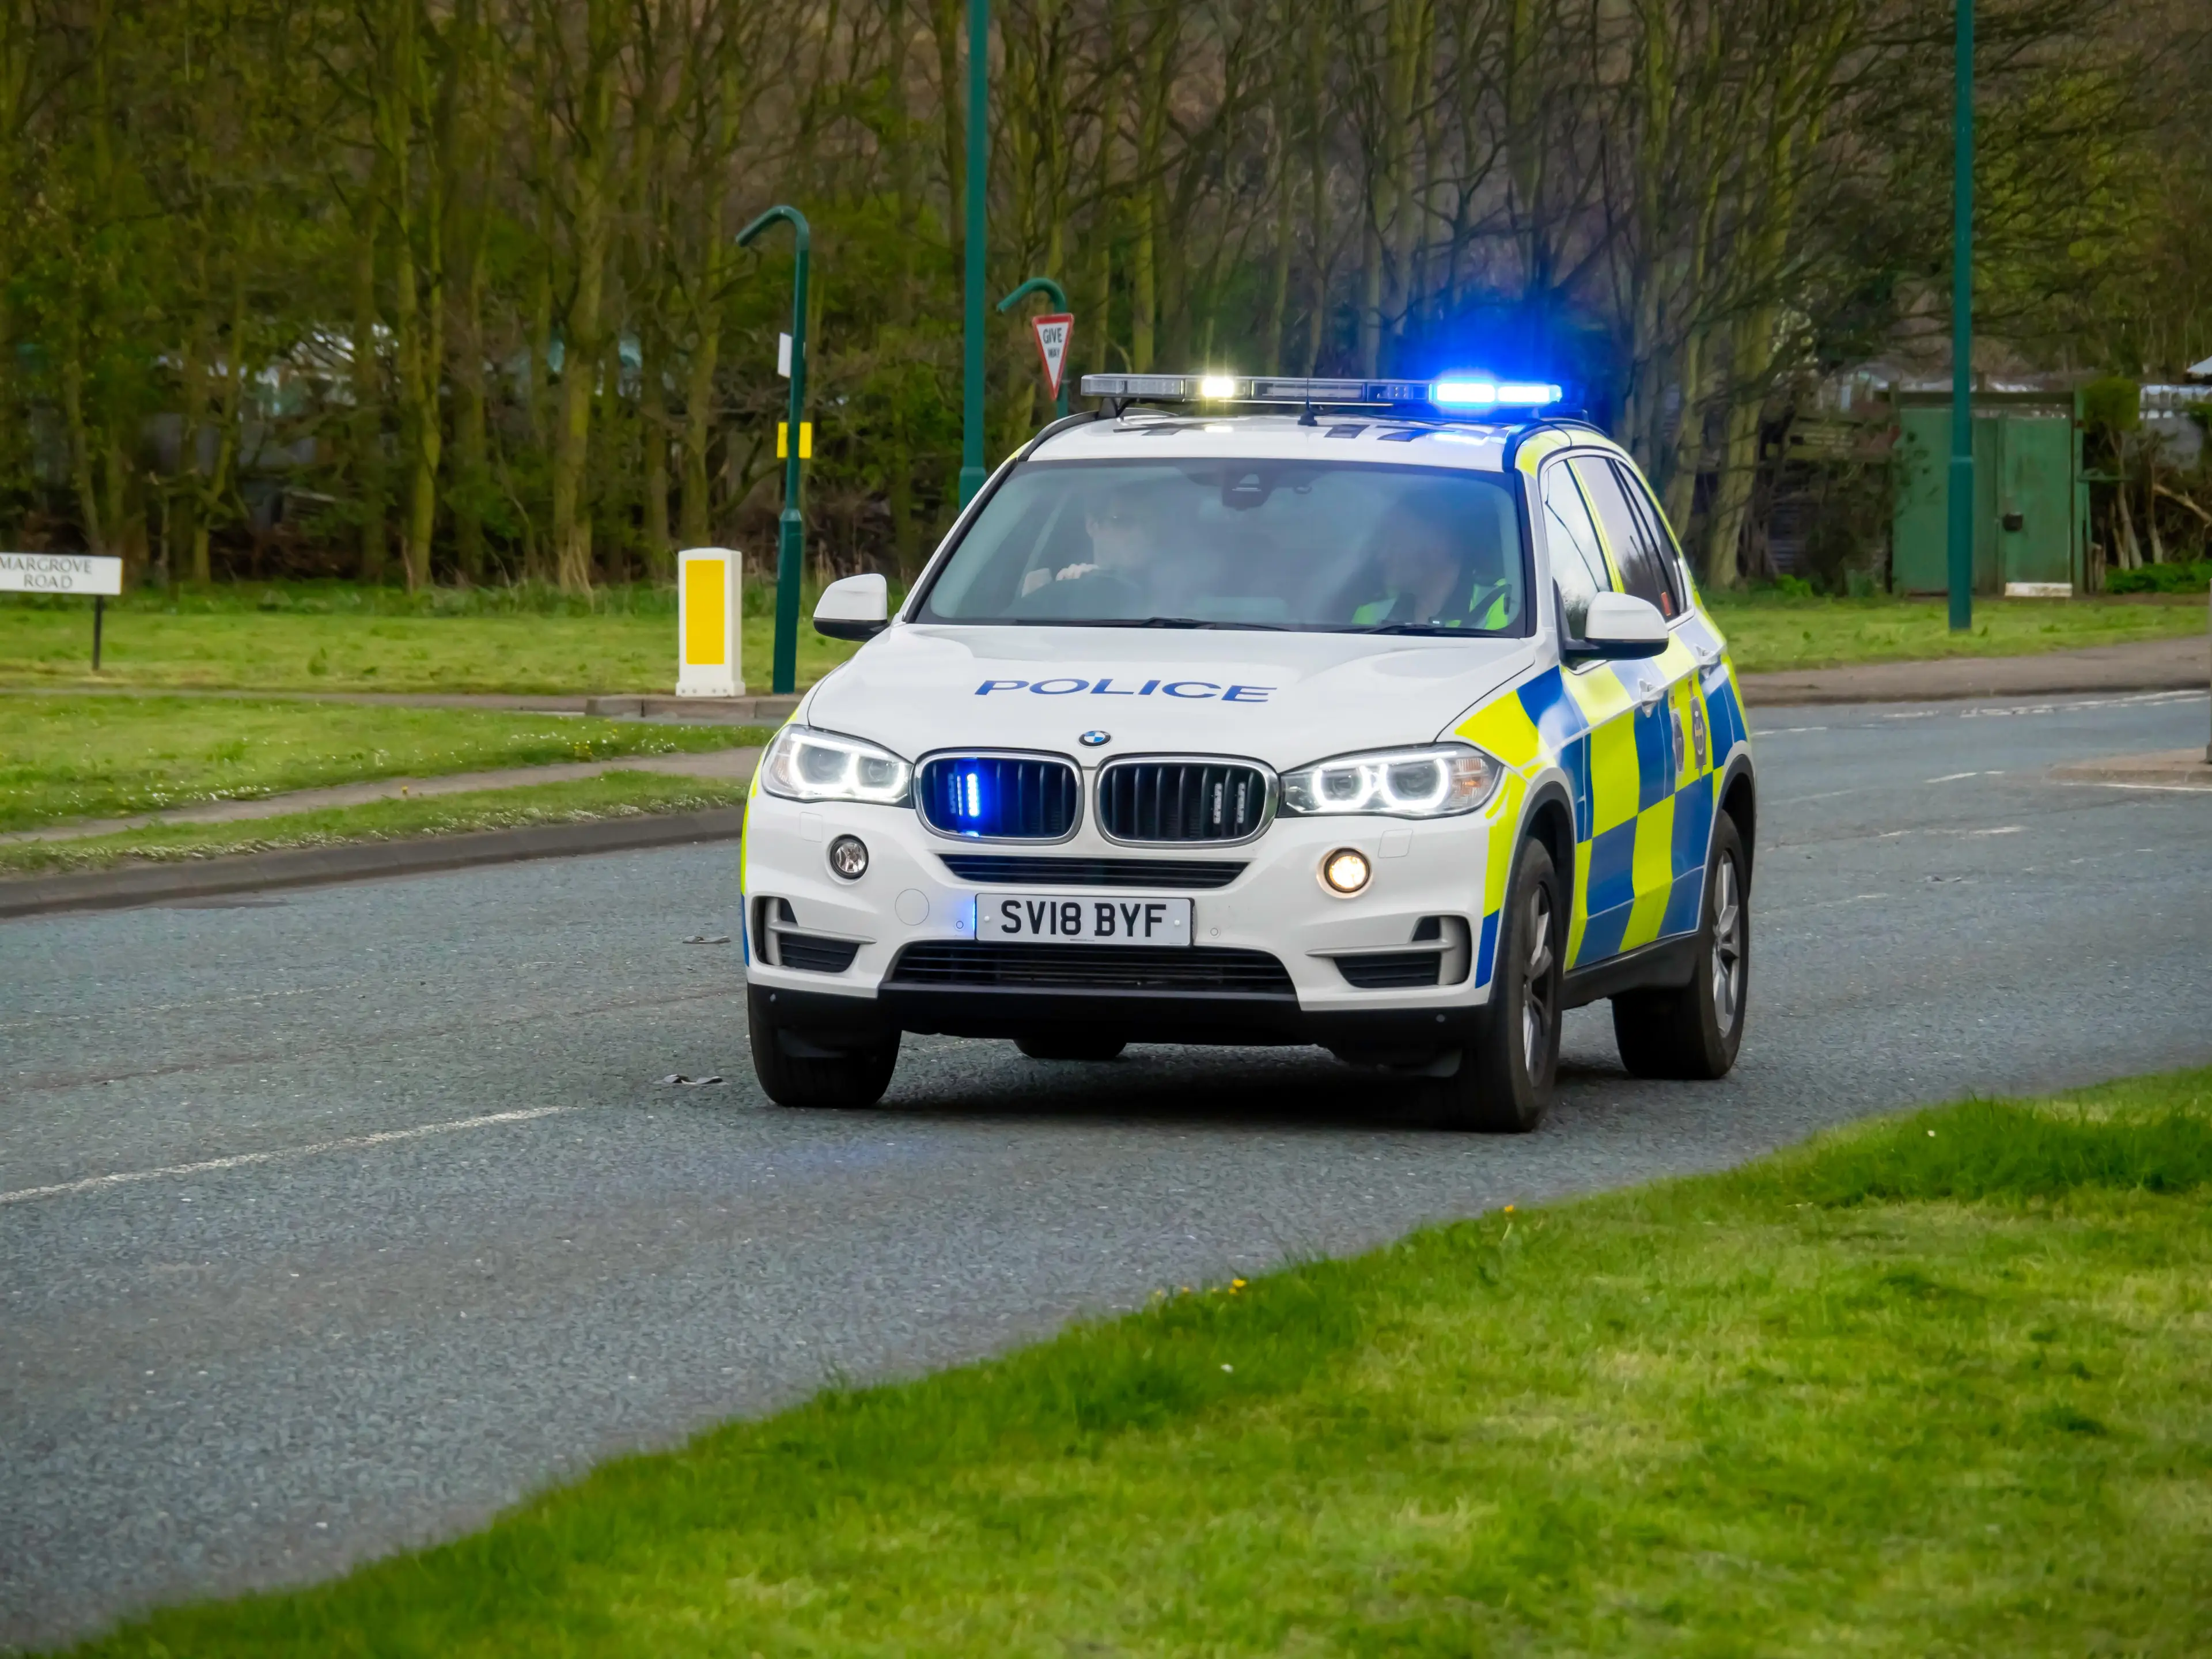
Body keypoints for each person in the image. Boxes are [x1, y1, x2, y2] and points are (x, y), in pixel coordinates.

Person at [1350, 494, 1514, 630]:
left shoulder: (1502, 604)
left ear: (1437, 547)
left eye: (1394, 543)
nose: (1382, 556)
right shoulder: (1371, 614)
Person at [1015, 479, 1168, 616]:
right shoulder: (1062, 589)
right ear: (1092, 525)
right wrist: (1042, 597)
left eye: (1147, 522)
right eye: (1123, 522)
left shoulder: (1174, 586)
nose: (1139, 533)